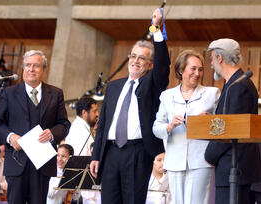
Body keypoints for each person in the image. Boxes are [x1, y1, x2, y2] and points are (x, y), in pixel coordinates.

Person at [90, 8, 170, 204]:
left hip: (137, 152)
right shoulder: (114, 86)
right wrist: (96, 156)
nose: (135, 61)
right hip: (110, 153)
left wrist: (156, 29)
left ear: (149, 65)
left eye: (142, 58)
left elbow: (162, 67)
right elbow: (103, 125)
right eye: (133, 56)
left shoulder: (150, 84)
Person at [0, 50, 71, 204]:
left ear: (43, 69)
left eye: (36, 66)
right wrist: (11, 137)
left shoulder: (56, 93)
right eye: (27, 65)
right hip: (16, 163)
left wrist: (52, 133)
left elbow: (64, 124)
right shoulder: (8, 93)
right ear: (23, 68)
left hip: (43, 165)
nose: (31, 69)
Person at [153, 49, 219, 204]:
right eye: (193, 68)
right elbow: (156, 127)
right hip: (175, 159)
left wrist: (208, 121)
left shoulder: (212, 94)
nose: (197, 73)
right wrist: (169, 127)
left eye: (200, 69)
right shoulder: (167, 96)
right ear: (181, 70)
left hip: (201, 160)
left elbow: (221, 126)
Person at [204, 38, 261, 204]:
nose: (211, 64)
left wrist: (209, 155)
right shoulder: (235, 84)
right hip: (233, 168)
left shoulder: (238, 86)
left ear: (220, 58)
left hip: (235, 168)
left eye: (212, 59)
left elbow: (231, 127)